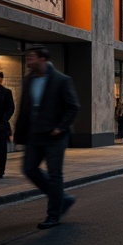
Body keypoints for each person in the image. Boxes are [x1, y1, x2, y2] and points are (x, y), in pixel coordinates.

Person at [15, 46, 80, 229]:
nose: (28, 60)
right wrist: (20, 131)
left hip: (55, 137)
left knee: (54, 175)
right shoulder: (28, 80)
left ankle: (53, 215)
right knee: (29, 169)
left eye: (31, 57)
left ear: (43, 59)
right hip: (34, 136)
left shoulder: (61, 80)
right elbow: (25, 108)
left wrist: (60, 127)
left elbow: (73, 106)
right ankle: (63, 199)